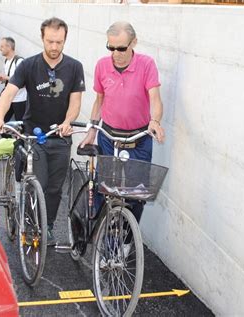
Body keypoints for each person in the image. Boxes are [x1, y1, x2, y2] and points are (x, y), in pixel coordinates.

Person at [0, 17, 86, 245]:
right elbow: (9, 93)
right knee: (38, 185)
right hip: (34, 136)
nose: (54, 47)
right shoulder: (29, 65)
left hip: (61, 137)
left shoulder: (74, 67)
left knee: (54, 189)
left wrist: (68, 121)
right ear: (42, 38)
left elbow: (75, 103)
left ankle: (48, 227)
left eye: (59, 42)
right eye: (50, 41)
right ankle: (31, 226)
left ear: (65, 40)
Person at [80, 21, 164, 251]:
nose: (115, 54)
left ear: (133, 43)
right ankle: (101, 232)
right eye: (111, 47)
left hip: (139, 140)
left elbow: (155, 98)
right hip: (109, 137)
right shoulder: (101, 66)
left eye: (121, 48)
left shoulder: (146, 65)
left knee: (136, 196)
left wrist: (154, 121)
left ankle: (126, 240)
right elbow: (99, 101)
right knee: (104, 189)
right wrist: (92, 130)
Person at [0, 37, 27, 122]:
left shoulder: (20, 61)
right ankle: (6, 135)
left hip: (20, 100)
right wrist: (2, 79)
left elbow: (23, 82)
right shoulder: (6, 61)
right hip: (9, 99)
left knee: (22, 126)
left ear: (9, 47)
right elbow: (9, 80)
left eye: (2, 46)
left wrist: (6, 77)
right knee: (1, 123)